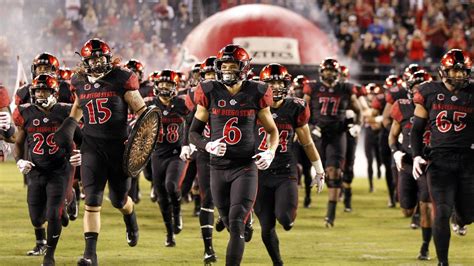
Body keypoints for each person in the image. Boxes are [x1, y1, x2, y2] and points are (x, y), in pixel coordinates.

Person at [55, 38, 146, 265]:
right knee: (92, 200)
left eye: (100, 58)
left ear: (108, 59)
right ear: (84, 61)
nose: (96, 63)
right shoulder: (79, 82)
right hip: (92, 148)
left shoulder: (121, 79)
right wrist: (67, 130)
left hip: (118, 149)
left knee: (118, 200)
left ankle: (130, 218)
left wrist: (140, 144)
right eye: (92, 59)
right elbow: (76, 112)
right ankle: (90, 255)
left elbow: (144, 114)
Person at [189, 44, 279, 266]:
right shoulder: (208, 90)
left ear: (244, 68)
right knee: (231, 223)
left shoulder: (256, 92)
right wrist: (208, 145)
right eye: (224, 66)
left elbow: (272, 131)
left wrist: (270, 152)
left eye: (233, 66)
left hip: (245, 166)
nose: (228, 70)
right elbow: (193, 133)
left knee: (236, 223)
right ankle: (245, 223)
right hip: (217, 167)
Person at [255, 63, 325, 265]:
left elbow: (307, 142)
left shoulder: (295, 107)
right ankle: (278, 263)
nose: (276, 87)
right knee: (267, 225)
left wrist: (319, 170)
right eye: (271, 83)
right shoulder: (253, 105)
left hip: (285, 171)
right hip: (259, 173)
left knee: (285, 220)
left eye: (279, 82)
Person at [411, 49, 474, 266]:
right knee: (441, 212)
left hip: (469, 159)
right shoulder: (427, 92)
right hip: (439, 160)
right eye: (454, 71)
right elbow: (417, 129)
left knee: (468, 214)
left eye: (462, 71)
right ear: (443, 71)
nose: (459, 75)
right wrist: (417, 156)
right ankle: (443, 262)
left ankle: (461, 219)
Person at [12, 74, 82, 265]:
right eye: (37, 91)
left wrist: (82, 152)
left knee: (53, 214)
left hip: (60, 169)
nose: (40, 94)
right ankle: (66, 204)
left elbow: (84, 136)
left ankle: (49, 255)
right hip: (36, 169)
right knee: (37, 218)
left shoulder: (65, 111)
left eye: (44, 90)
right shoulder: (25, 112)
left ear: (54, 92)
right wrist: (19, 160)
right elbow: (18, 141)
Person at [303, 58, 361, 227]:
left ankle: (330, 215)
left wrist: (357, 125)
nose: (329, 73)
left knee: (334, 172)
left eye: (332, 71)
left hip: (338, 133)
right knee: (322, 172)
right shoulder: (312, 88)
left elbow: (359, 110)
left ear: (337, 73)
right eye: (326, 70)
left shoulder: (345, 88)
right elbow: (303, 111)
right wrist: (310, 126)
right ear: (322, 72)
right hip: (318, 133)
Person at [389, 70, 433, 260]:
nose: (420, 91)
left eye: (423, 88)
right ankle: (414, 210)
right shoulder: (402, 106)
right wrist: (395, 151)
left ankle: (425, 247)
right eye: (417, 87)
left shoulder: (437, 106)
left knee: (426, 205)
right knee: (406, 208)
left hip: (428, 162)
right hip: (407, 162)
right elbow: (392, 135)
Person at [182, 56, 218, 264]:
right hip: (206, 150)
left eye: (214, 74)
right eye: (208, 75)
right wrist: (189, 144)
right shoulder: (199, 94)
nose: (211, 78)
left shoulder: (238, 92)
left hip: (233, 152)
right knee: (208, 198)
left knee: (229, 199)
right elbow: (190, 122)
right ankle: (208, 248)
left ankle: (243, 220)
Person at [149, 69, 189, 247]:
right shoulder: (149, 105)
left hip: (177, 153)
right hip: (157, 154)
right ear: (156, 86)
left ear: (176, 86)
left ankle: (178, 212)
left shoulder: (183, 104)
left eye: (168, 84)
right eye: (162, 84)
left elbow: (195, 123)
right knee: (161, 196)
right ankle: (169, 233)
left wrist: (188, 144)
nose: (164, 88)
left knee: (171, 186)